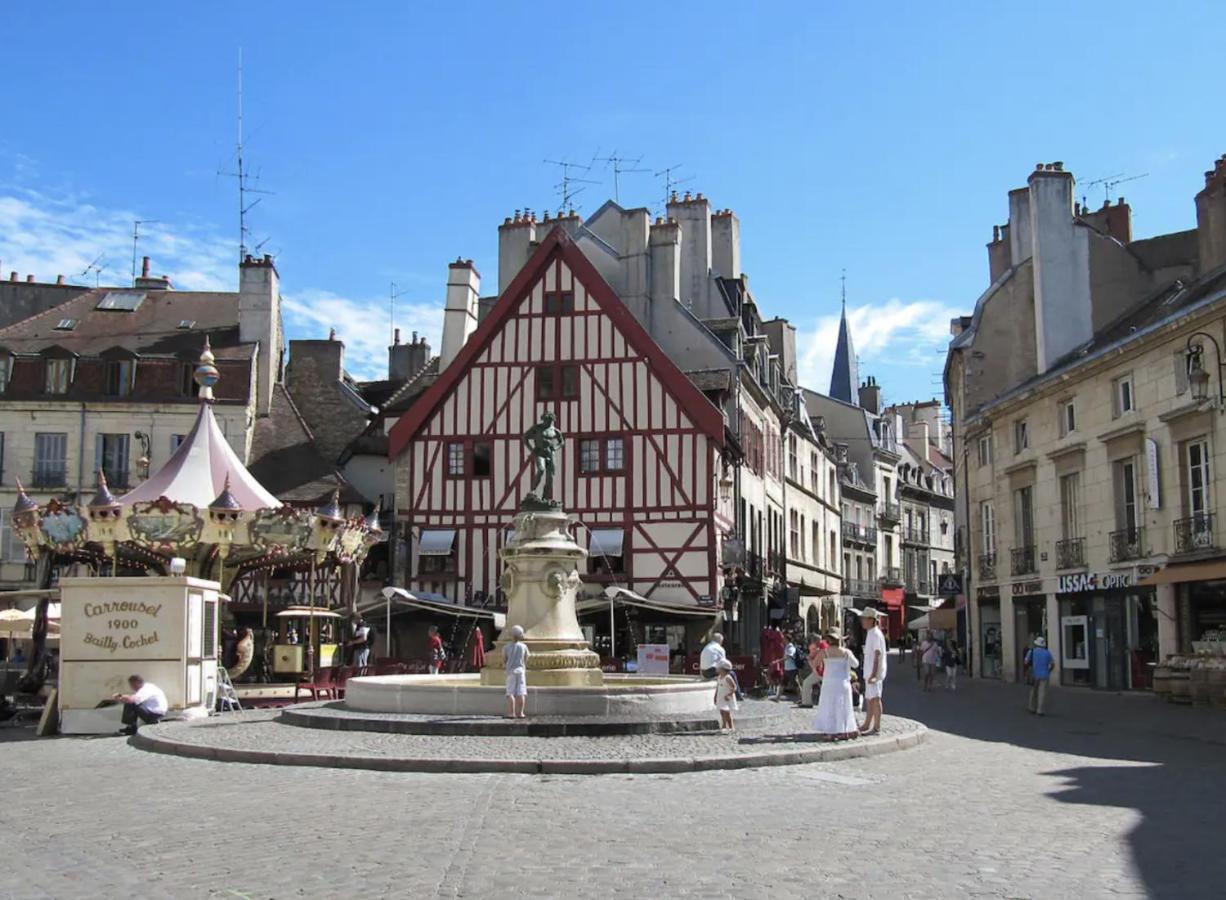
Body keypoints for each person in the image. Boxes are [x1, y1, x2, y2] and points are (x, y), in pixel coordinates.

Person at [812, 628, 860, 741]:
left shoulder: (824, 652)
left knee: (829, 706)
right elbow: (856, 664)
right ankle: (843, 731)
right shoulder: (846, 652)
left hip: (829, 682)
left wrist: (820, 674)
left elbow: (814, 664)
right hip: (843, 683)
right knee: (843, 707)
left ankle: (830, 732)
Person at [859, 608, 888, 736]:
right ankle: (867, 724)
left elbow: (877, 654)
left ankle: (876, 727)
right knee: (869, 699)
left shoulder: (875, 634)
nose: (862, 621)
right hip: (869, 671)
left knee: (875, 699)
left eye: (864, 618)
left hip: (874, 673)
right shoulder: (871, 633)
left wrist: (873, 674)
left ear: (871, 620)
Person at [503, 624, 529, 718]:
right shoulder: (524, 647)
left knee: (510, 693)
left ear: (511, 635)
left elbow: (504, 659)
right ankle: (521, 713)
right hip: (521, 671)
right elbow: (526, 658)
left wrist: (506, 665)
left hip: (511, 672)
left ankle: (511, 713)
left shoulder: (506, 647)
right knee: (521, 692)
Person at [1024, 636, 1055, 715]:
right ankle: (1039, 709)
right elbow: (1052, 664)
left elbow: (1026, 662)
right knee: (1042, 692)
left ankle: (1031, 707)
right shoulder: (1047, 652)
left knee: (1033, 691)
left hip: (1034, 674)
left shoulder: (1032, 651)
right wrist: (1049, 670)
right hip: (1044, 675)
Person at [799, 634, 828, 707]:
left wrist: (809, 658)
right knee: (807, 683)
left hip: (823, 671)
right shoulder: (820, 645)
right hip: (820, 670)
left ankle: (807, 702)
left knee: (808, 683)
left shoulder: (821, 646)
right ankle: (806, 702)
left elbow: (813, 660)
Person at [713, 659, 738, 730]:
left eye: (718, 668)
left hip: (726, 698)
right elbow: (718, 688)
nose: (717, 669)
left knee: (726, 713)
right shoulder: (719, 678)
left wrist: (729, 695)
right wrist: (715, 696)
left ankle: (731, 727)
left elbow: (734, 687)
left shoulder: (727, 678)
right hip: (720, 697)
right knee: (722, 712)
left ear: (723, 669)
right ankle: (724, 726)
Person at [775, 634, 799, 701]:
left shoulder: (791, 647)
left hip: (792, 669)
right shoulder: (786, 647)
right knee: (783, 683)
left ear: (787, 640)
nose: (783, 640)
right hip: (787, 669)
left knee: (795, 684)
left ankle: (802, 698)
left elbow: (788, 657)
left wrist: (778, 660)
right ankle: (777, 698)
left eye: (784, 639)